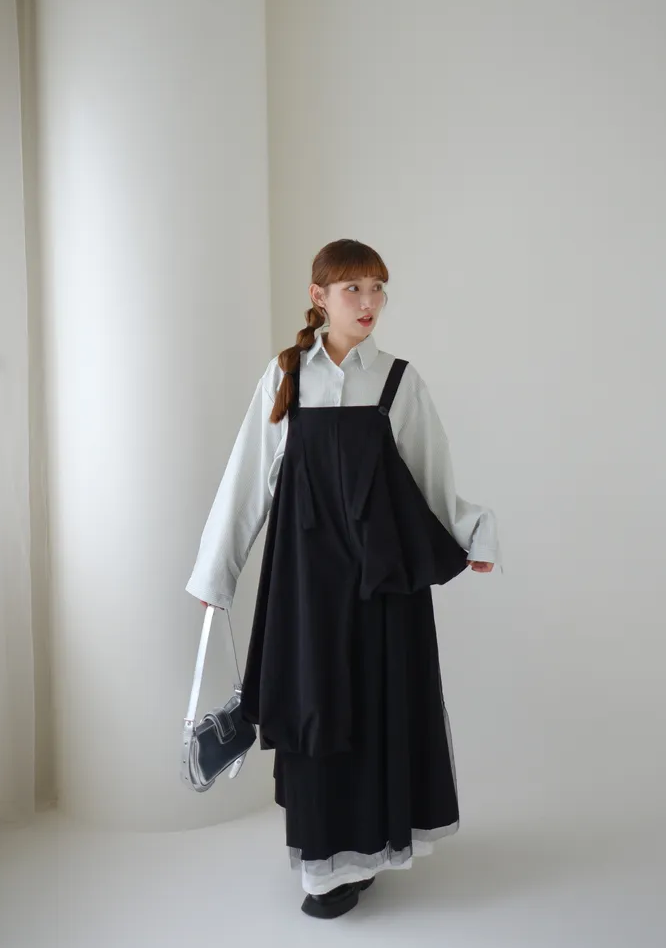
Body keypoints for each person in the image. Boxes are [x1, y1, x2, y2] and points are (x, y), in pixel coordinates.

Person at [185, 238, 501, 919]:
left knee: (376, 711)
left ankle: (367, 852)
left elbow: (432, 476)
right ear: (318, 296)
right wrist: (218, 572)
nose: (368, 302)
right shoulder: (286, 376)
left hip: (382, 589)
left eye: (377, 287)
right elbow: (248, 480)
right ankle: (324, 867)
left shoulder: (397, 380)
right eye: (352, 287)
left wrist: (470, 534)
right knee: (315, 713)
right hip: (305, 589)